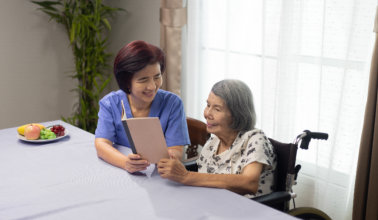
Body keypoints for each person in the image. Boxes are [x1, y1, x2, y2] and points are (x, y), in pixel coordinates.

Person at [157, 79, 276, 198]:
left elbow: (249, 183)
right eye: (208, 105)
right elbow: (202, 180)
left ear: (237, 114)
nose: (207, 113)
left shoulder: (255, 139)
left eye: (217, 109)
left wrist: (186, 176)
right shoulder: (213, 142)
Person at [95, 40, 190, 173]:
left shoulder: (173, 103)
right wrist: (125, 163)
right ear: (126, 82)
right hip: (120, 173)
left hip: (160, 176)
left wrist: (171, 156)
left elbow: (176, 149)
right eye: (143, 80)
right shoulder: (110, 104)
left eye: (157, 77)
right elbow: (102, 144)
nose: (152, 86)